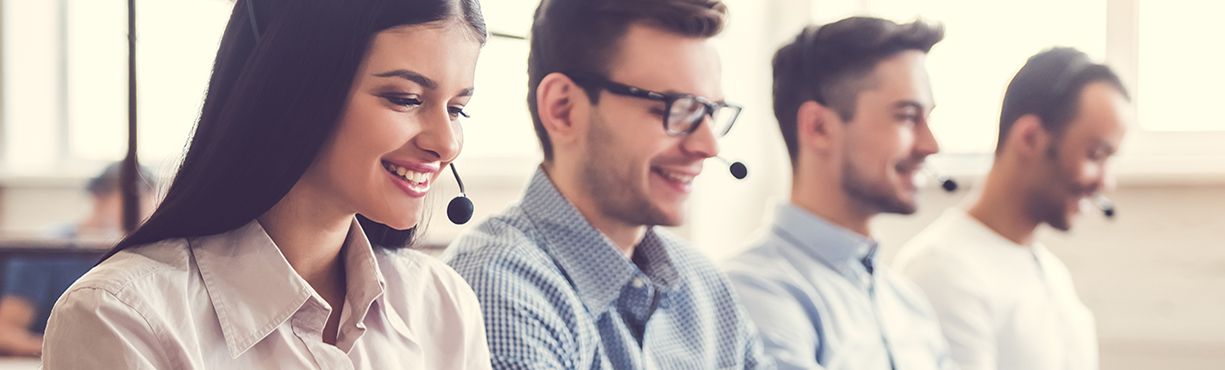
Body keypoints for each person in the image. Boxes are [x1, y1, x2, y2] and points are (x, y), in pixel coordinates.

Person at [41, 0, 493, 368]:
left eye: (457, 109)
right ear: (296, 87)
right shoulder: (121, 316)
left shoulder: (443, 305)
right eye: (406, 99)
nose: (447, 144)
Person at [443, 0, 768, 368]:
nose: (708, 147)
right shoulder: (500, 289)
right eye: (678, 108)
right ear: (563, 108)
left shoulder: (705, 287)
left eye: (709, 112)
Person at [723, 17, 956, 369]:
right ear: (818, 127)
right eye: (907, 117)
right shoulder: (752, 293)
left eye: (928, 118)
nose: (931, 144)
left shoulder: (908, 303)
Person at [889, 47, 1134, 370]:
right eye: (1095, 155)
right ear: (1030, 137)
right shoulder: (942, 272)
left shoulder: (1052, 273)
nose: (1105, 182)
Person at [0, 163, 155, 357]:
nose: (138, 218)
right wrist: (70, 352)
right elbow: (5, 332)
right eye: (131, 208)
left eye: (145, 214)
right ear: (99, 198)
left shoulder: (139, 256)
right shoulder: (46, 251)